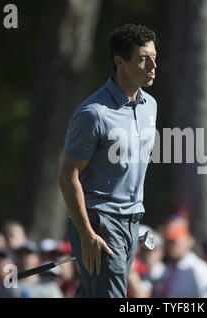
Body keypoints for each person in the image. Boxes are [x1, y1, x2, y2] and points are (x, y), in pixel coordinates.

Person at [59, 24, 158, 298]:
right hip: (100, 221)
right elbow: (68, 177)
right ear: (119, 61)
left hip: (132, 220)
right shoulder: (93, 114)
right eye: (142, 58)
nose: (152, 65)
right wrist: (86, 234)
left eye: (154, 56)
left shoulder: (151, 105)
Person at [152, 223, 207, 298]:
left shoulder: (198, 269)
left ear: (187, 242)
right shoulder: (167, 268)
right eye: (168, 242)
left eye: (174, 241)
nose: (170, 245)